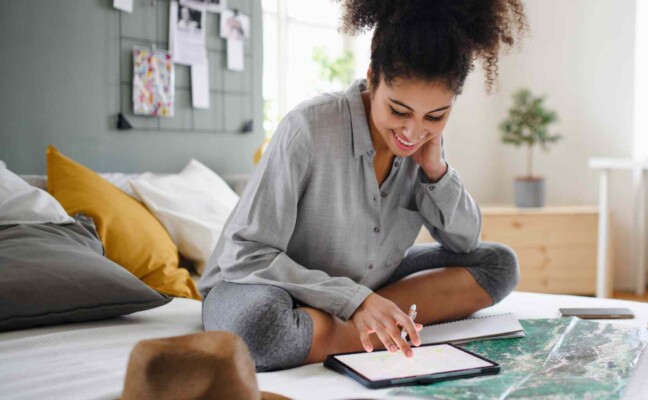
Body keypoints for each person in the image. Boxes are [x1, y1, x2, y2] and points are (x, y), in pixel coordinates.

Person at [199, 0, 528, 371]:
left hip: (367, 277)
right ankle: (366, 330)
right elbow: (247, 255)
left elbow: (465, 243)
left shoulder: (421, 143)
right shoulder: (307, 128)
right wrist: (355, 301)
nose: (412, 132)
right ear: (373, 77)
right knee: (261, 329)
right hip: (264, 284)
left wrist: (436, 170)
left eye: (435, 115)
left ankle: (336, 328)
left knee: (499, 264)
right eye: (399, 111)